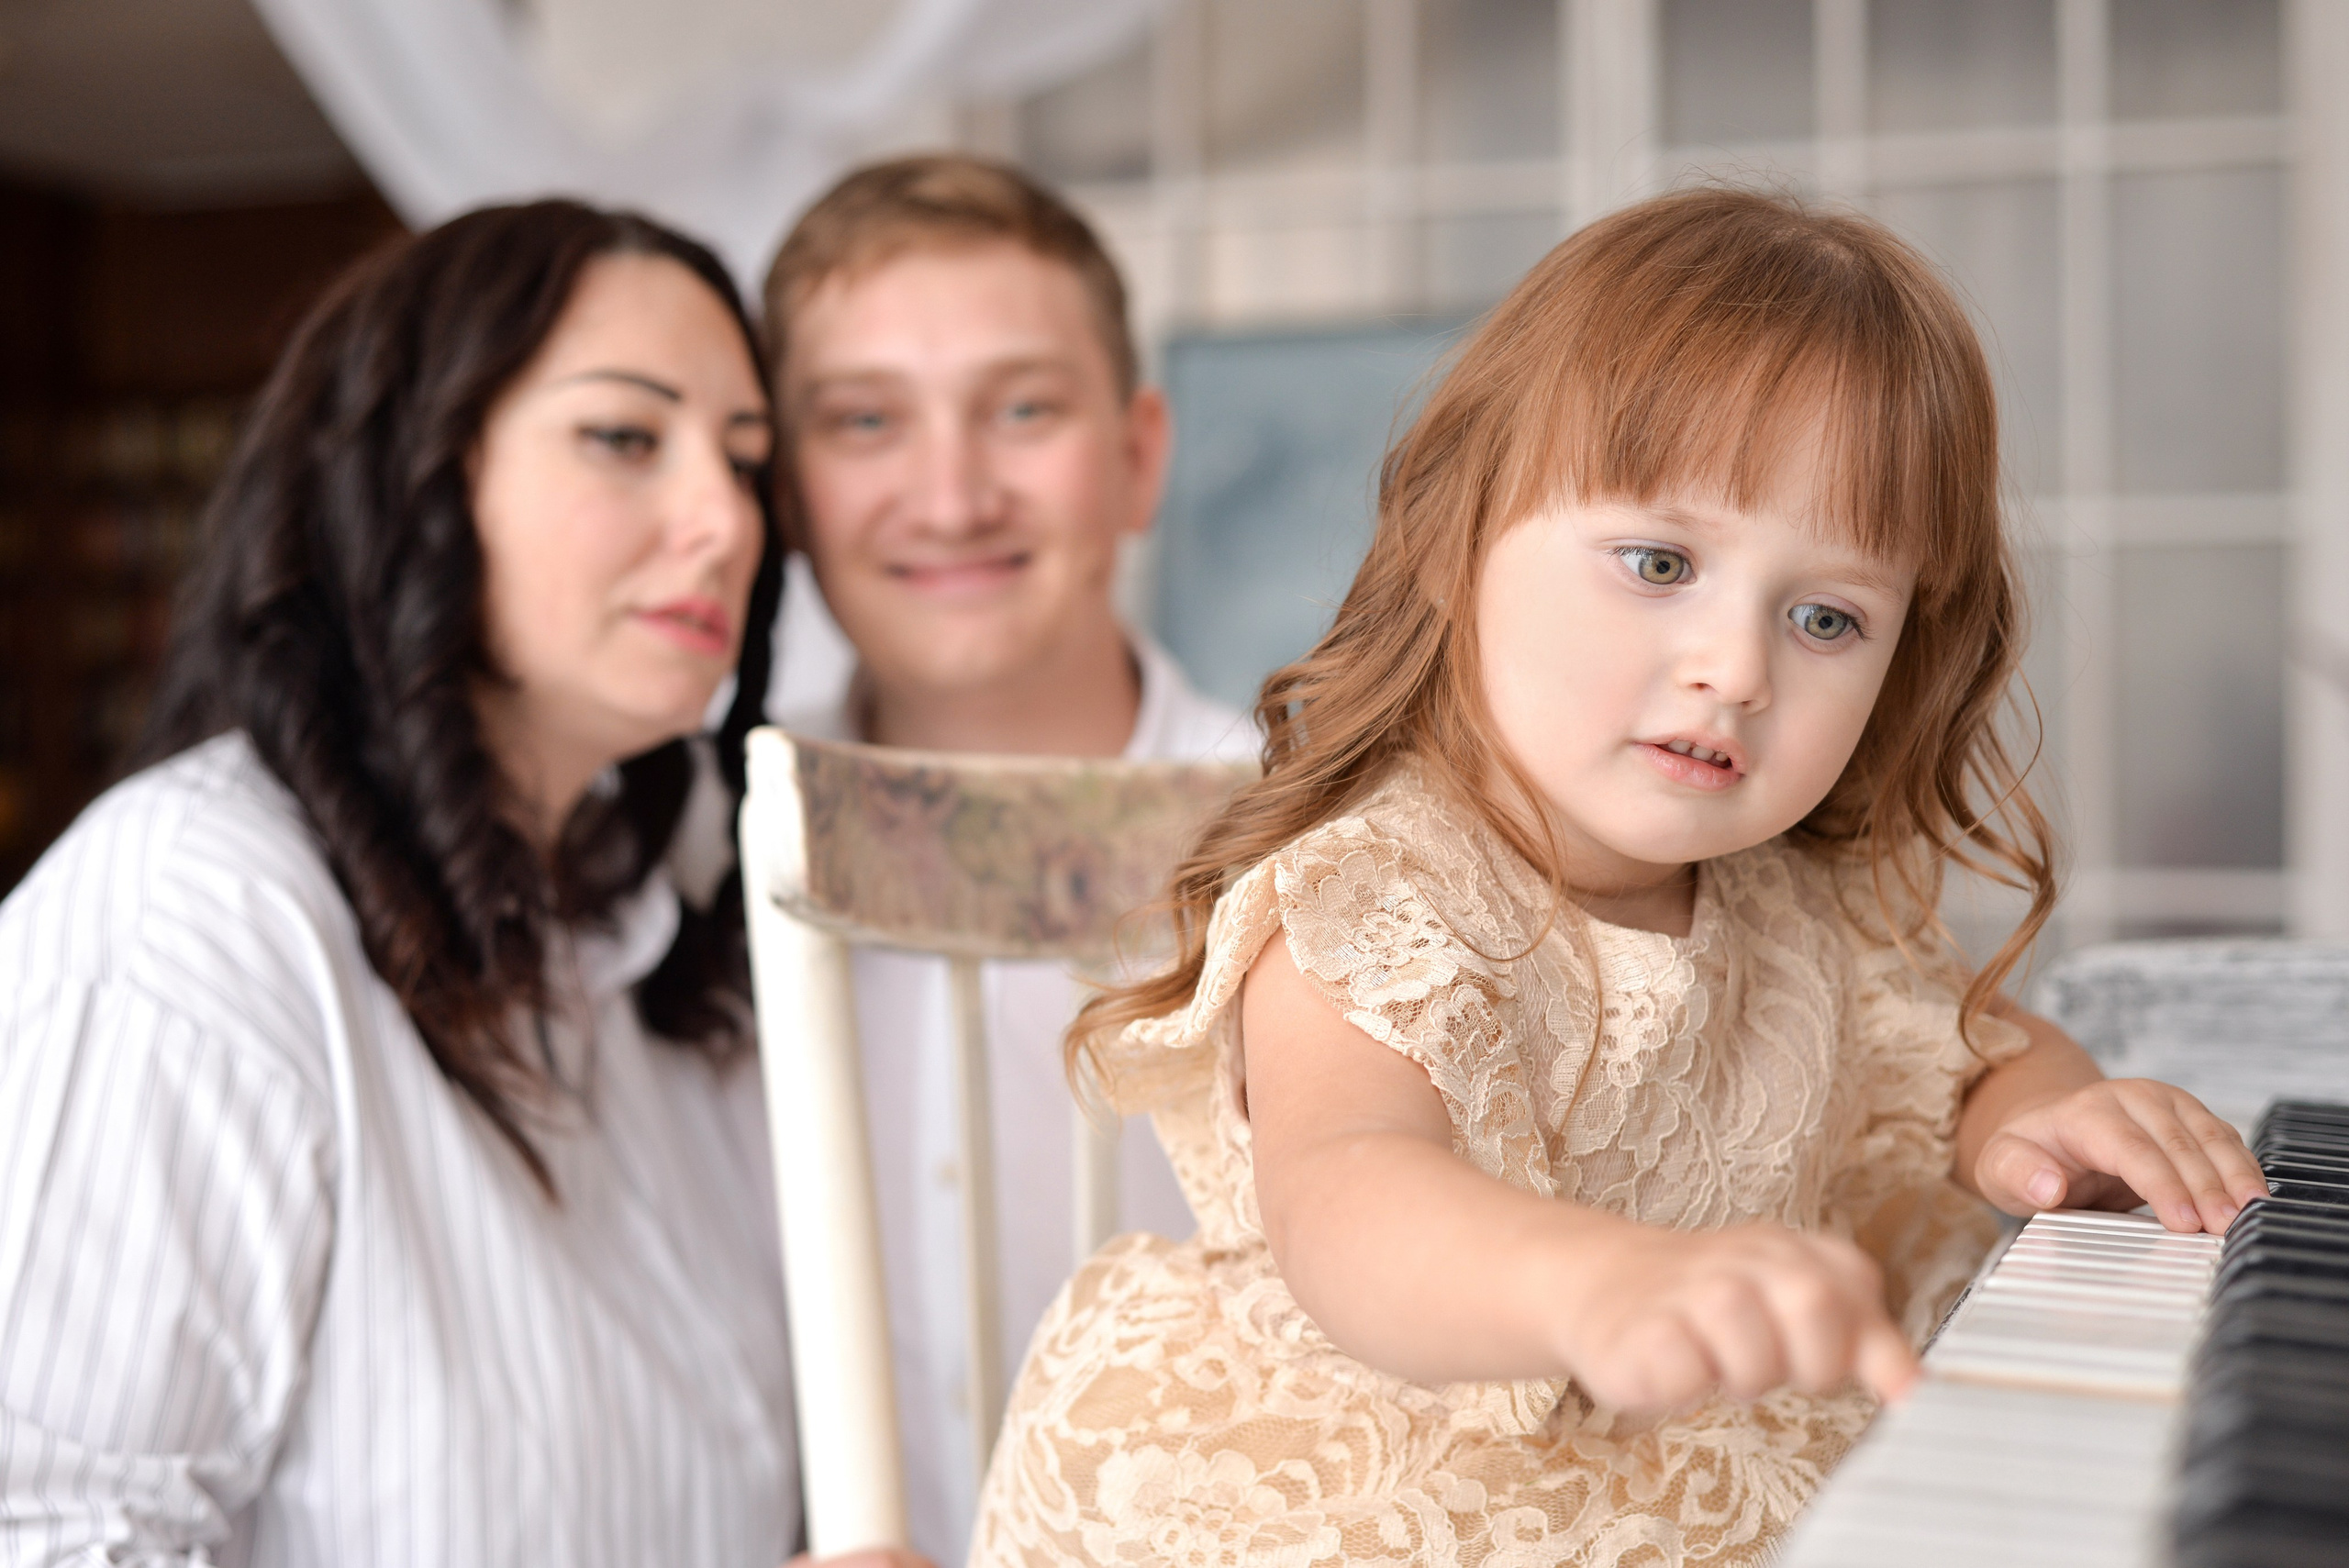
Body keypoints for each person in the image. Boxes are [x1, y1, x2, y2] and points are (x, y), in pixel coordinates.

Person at [969, 187, 2271, 1564]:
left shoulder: (1804, 904)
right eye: (1660, 561)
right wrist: (1597, 1282)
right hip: (1359, 1504)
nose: (1740, 667)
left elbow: (1969, 1051)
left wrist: (2047, 1114)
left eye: (1827, 614)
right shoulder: (1378, 892)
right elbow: (1347, 1196)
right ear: (1454, 537)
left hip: (1678, 1490)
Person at [0, 201, 918, 1568]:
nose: (724, 521)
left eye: (747, 461)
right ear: (413, 470)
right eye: (624, 437)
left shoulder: (654, 930)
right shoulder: (187, 913)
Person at [757, 154, 1254, 1561]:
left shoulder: (1315, 838)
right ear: (788, 491)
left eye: (1023, 408)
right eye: (865, 422)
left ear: (1138, 454)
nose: (952, 493)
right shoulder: (680, 843)